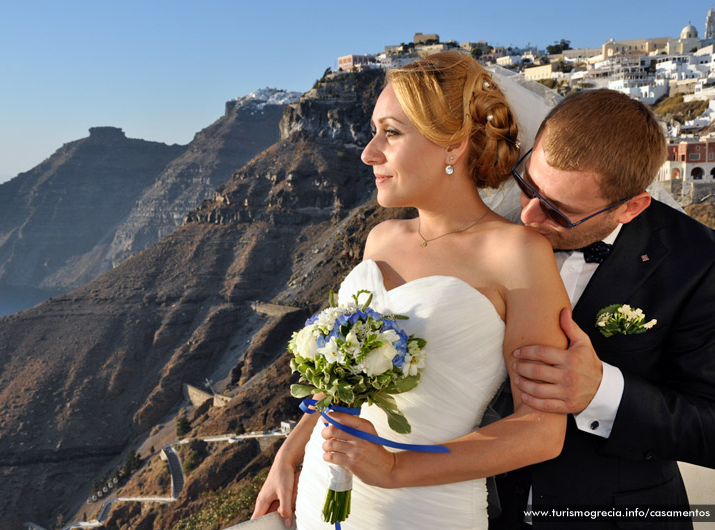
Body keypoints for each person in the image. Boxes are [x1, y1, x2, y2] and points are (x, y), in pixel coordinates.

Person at [252, 51, 571, 529]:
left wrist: (396, 469)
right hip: (323, 491)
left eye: (392, 133)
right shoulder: (380, 239)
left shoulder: (517, 254)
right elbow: (342, 382)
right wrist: (288, 457)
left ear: (453, 145)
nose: (369, 151)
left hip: (424, 507)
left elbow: (542, 432)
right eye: (375, 131)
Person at [492, 89, 715, 529]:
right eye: (528, 186)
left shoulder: (699, 264)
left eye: (559, 211)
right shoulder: (489, 221)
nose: (529, 218)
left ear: (630, 208)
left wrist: (601, 393)